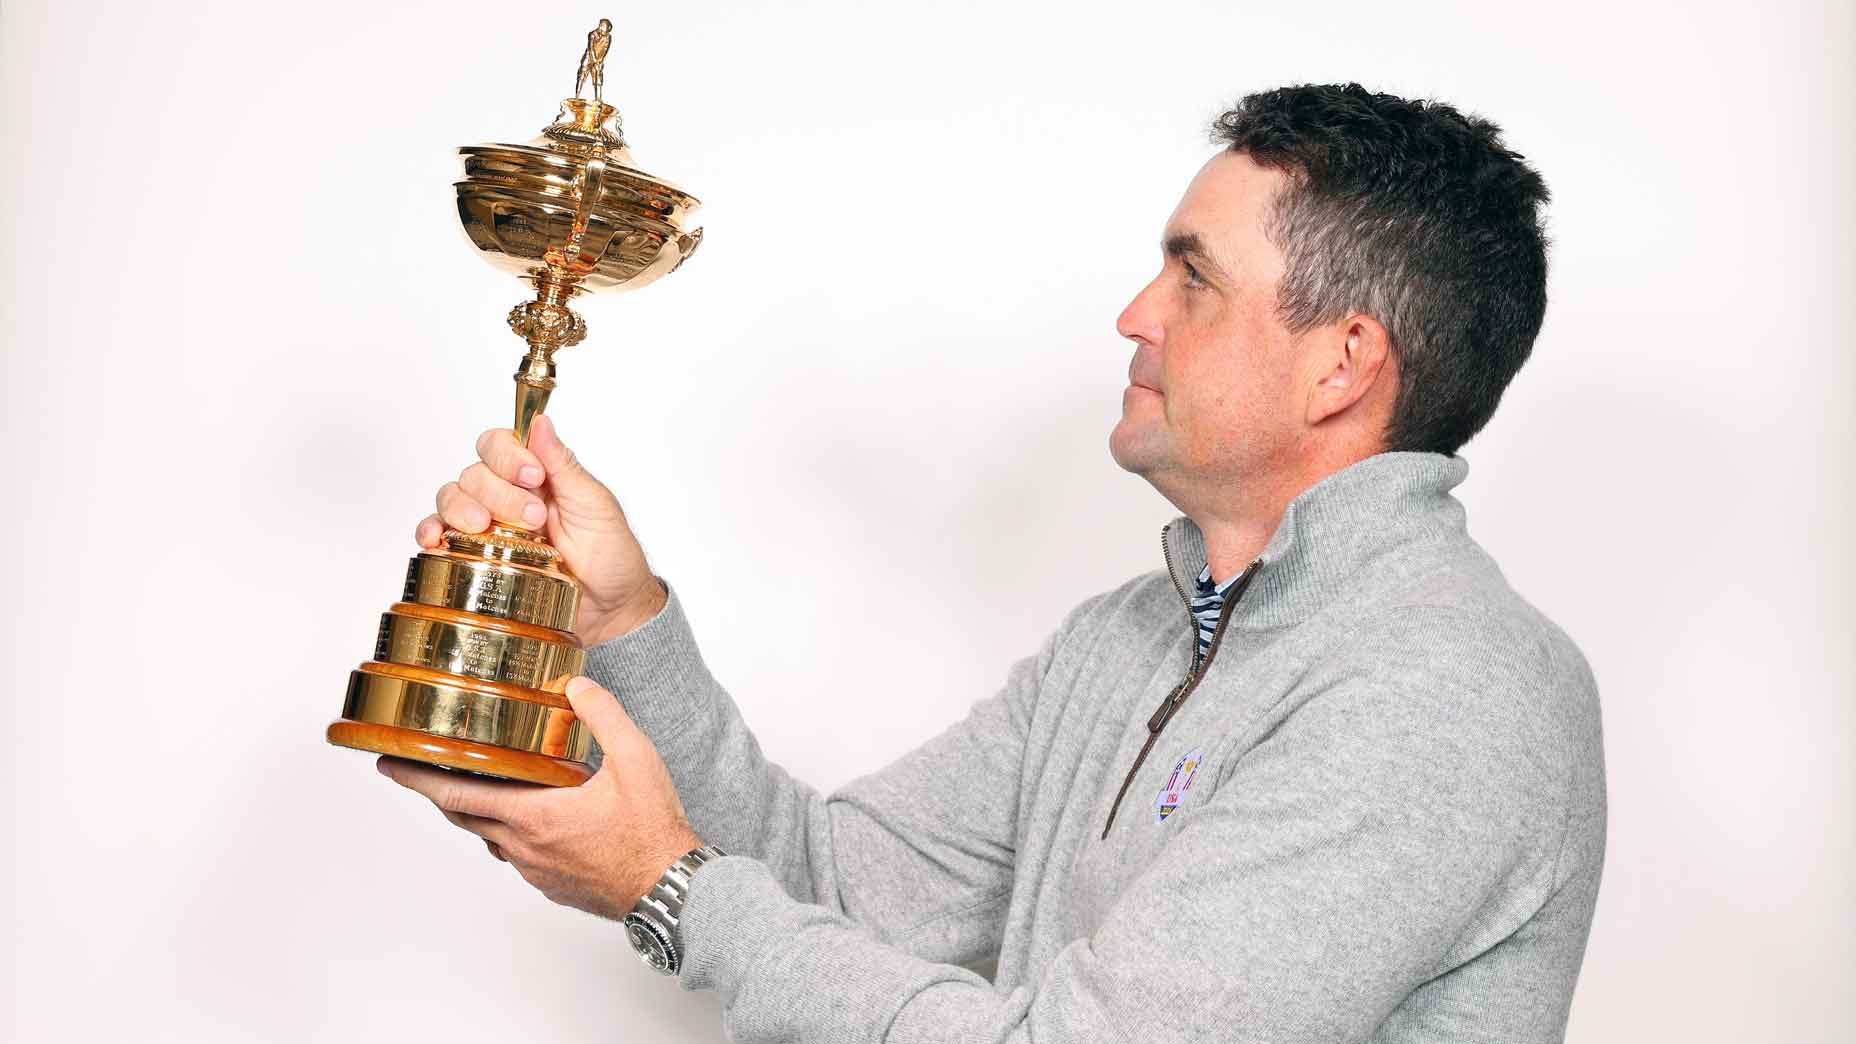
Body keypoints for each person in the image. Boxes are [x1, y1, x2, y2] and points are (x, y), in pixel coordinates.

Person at [380, 83, 1607, 1043]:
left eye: (1194, 278)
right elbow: (829, 883)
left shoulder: (1444, 691)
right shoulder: (1126, 639)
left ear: (1340, 365)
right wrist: (625, 619)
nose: (1135, 312)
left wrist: (668, 890)